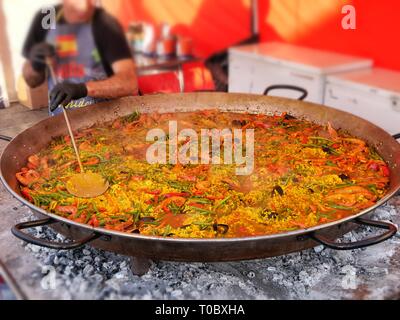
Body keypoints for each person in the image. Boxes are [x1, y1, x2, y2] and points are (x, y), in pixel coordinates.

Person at [22, 0, 138, 115]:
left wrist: (83, 89)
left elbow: (129, 83)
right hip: (60, 123)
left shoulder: (105, 23)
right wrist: (35, 65)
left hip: (104, 119)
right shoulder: (45, 19)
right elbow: (32, 81)